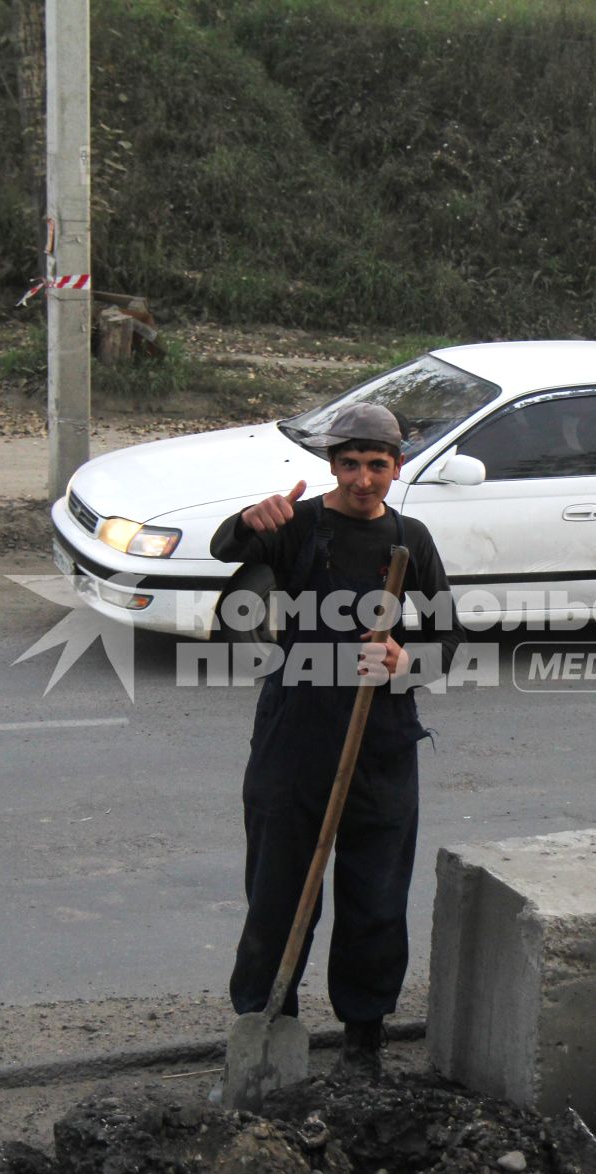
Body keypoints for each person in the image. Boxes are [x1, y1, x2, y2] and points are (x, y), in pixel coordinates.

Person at [211, 401, 462, 1078]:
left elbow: (447, 641)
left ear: (397, 467)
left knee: (375, 897)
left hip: (381, 745)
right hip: (294, 739)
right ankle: (267, 1022)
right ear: (331, 465)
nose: (362, 479)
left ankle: (363, 1039)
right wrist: (247, 521)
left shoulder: (413, 539)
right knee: (278, 893)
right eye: (349, 464)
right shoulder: (296, 526)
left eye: (376, 465)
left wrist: (406, 663)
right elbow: (227, 551)